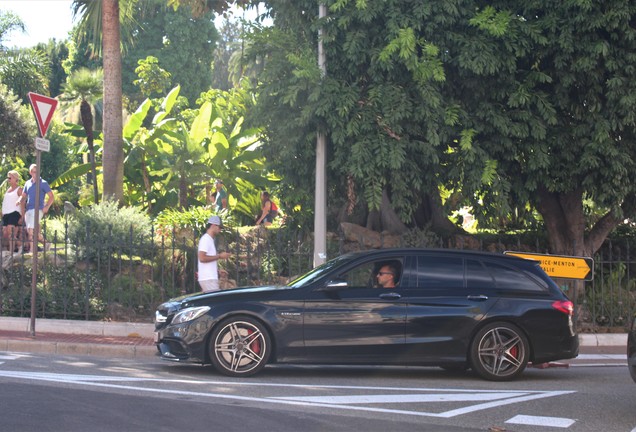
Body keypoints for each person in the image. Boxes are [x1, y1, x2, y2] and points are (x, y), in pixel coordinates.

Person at [18, 164, 54, 252]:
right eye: (34, 172)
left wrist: (47, 207)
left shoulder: (43, 183)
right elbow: (23, 195)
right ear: (30, 172)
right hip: (29, 209)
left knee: (31, 229)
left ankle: (32, 250)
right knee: (31, 231)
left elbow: (52, 197)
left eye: (38, 171)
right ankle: (46, 243)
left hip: (38, 209)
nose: (36, 173)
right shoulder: (27, 183)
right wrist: (19, 200)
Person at [198, 215, 231, 292]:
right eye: (219, 227)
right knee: (215, 302)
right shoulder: (206, 239)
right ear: (213, 225)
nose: (220, 230)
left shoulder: (209, 240)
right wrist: (219, 256)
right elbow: (202, 258)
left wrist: (217, 271)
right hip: (208, 279)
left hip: (209, 278)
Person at [2, 170, 23, 253]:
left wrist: (22, 215)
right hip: (6, 214)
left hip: (14, 213)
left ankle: (12, 251)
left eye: (10, 177)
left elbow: (22, 203)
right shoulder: (8, 190)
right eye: (8, 177)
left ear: (15, 178)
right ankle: (20, 245)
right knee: (5, 233)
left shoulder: (19, 189)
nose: (8, 179)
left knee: (11, 233)